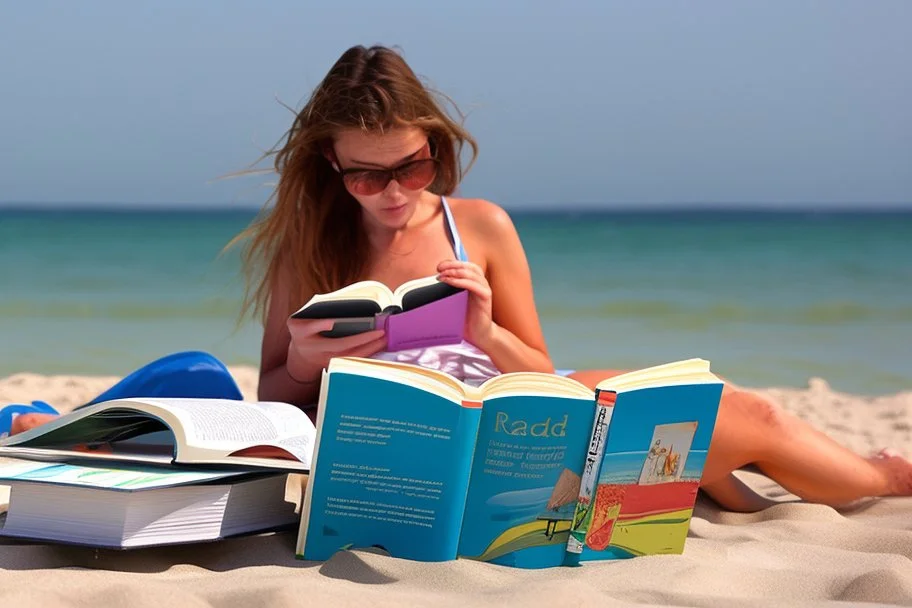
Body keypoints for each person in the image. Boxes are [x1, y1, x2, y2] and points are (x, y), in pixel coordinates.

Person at [11, 45, 912, 512]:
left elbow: (539, 366)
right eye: (364, 174)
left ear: (434, 149)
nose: (392, 192)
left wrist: (481, 331)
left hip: (515, 417)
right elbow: (277, 403)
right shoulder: (308, 247)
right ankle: (732, 480)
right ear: (330, 167)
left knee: (737, 408)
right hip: (394, 452)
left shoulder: (481, 226)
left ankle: (883, 479)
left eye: (408, 166)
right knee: (725, 438)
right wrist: (303, 357)